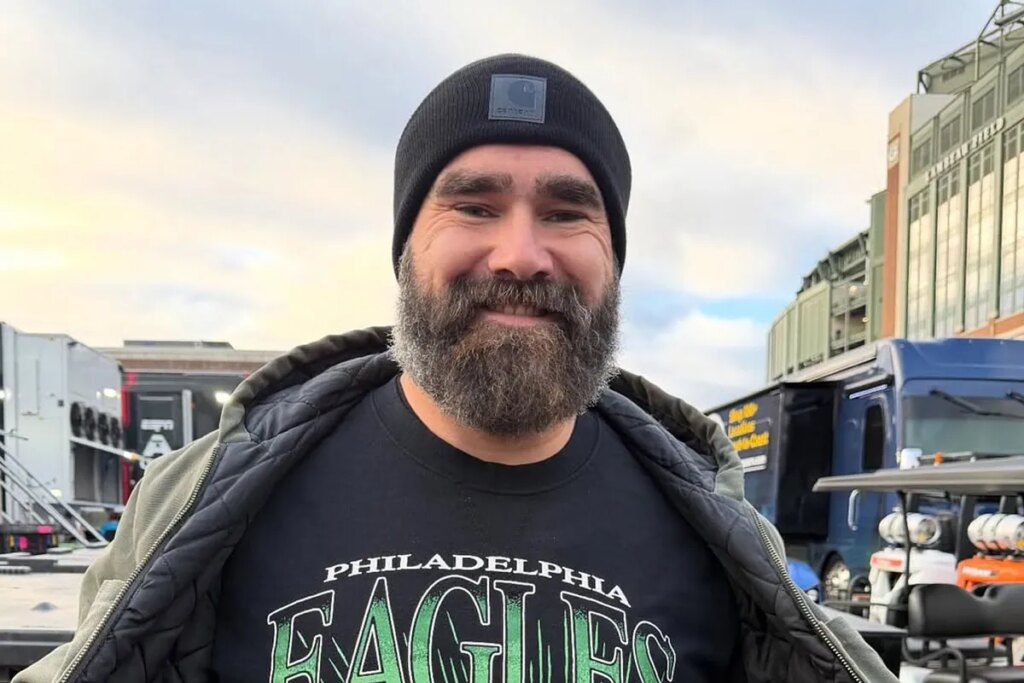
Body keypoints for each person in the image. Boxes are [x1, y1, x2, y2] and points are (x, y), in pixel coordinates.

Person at [14, 54, 896, 683]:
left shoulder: (723, 539)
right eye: (474, 205)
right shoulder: (202, 503)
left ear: (614, 259)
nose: (520, 253)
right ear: (407, 250)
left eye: (567, 213)